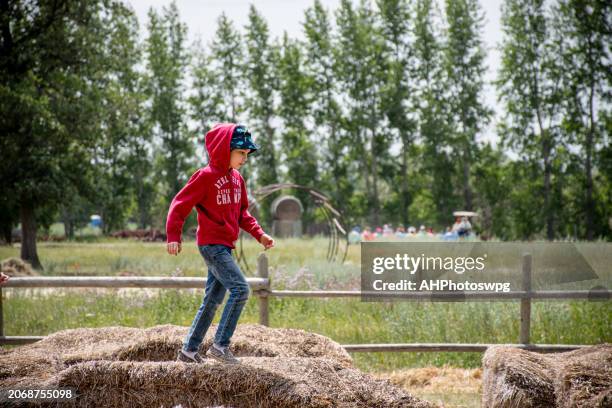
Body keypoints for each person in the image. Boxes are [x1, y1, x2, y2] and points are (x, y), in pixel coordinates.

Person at [166, 123, 275, 365]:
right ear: (224, 150)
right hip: (211, 245)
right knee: (240, 289)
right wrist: (174, 235)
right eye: (241, 153)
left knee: (213, 300)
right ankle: (220, 346)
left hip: (224, 246)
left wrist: (260, 234)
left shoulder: (237, 180)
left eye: (247, 155)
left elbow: (243, 214)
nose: (244, 159)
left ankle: (189, 351)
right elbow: (179, 204)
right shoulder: (205, 177)